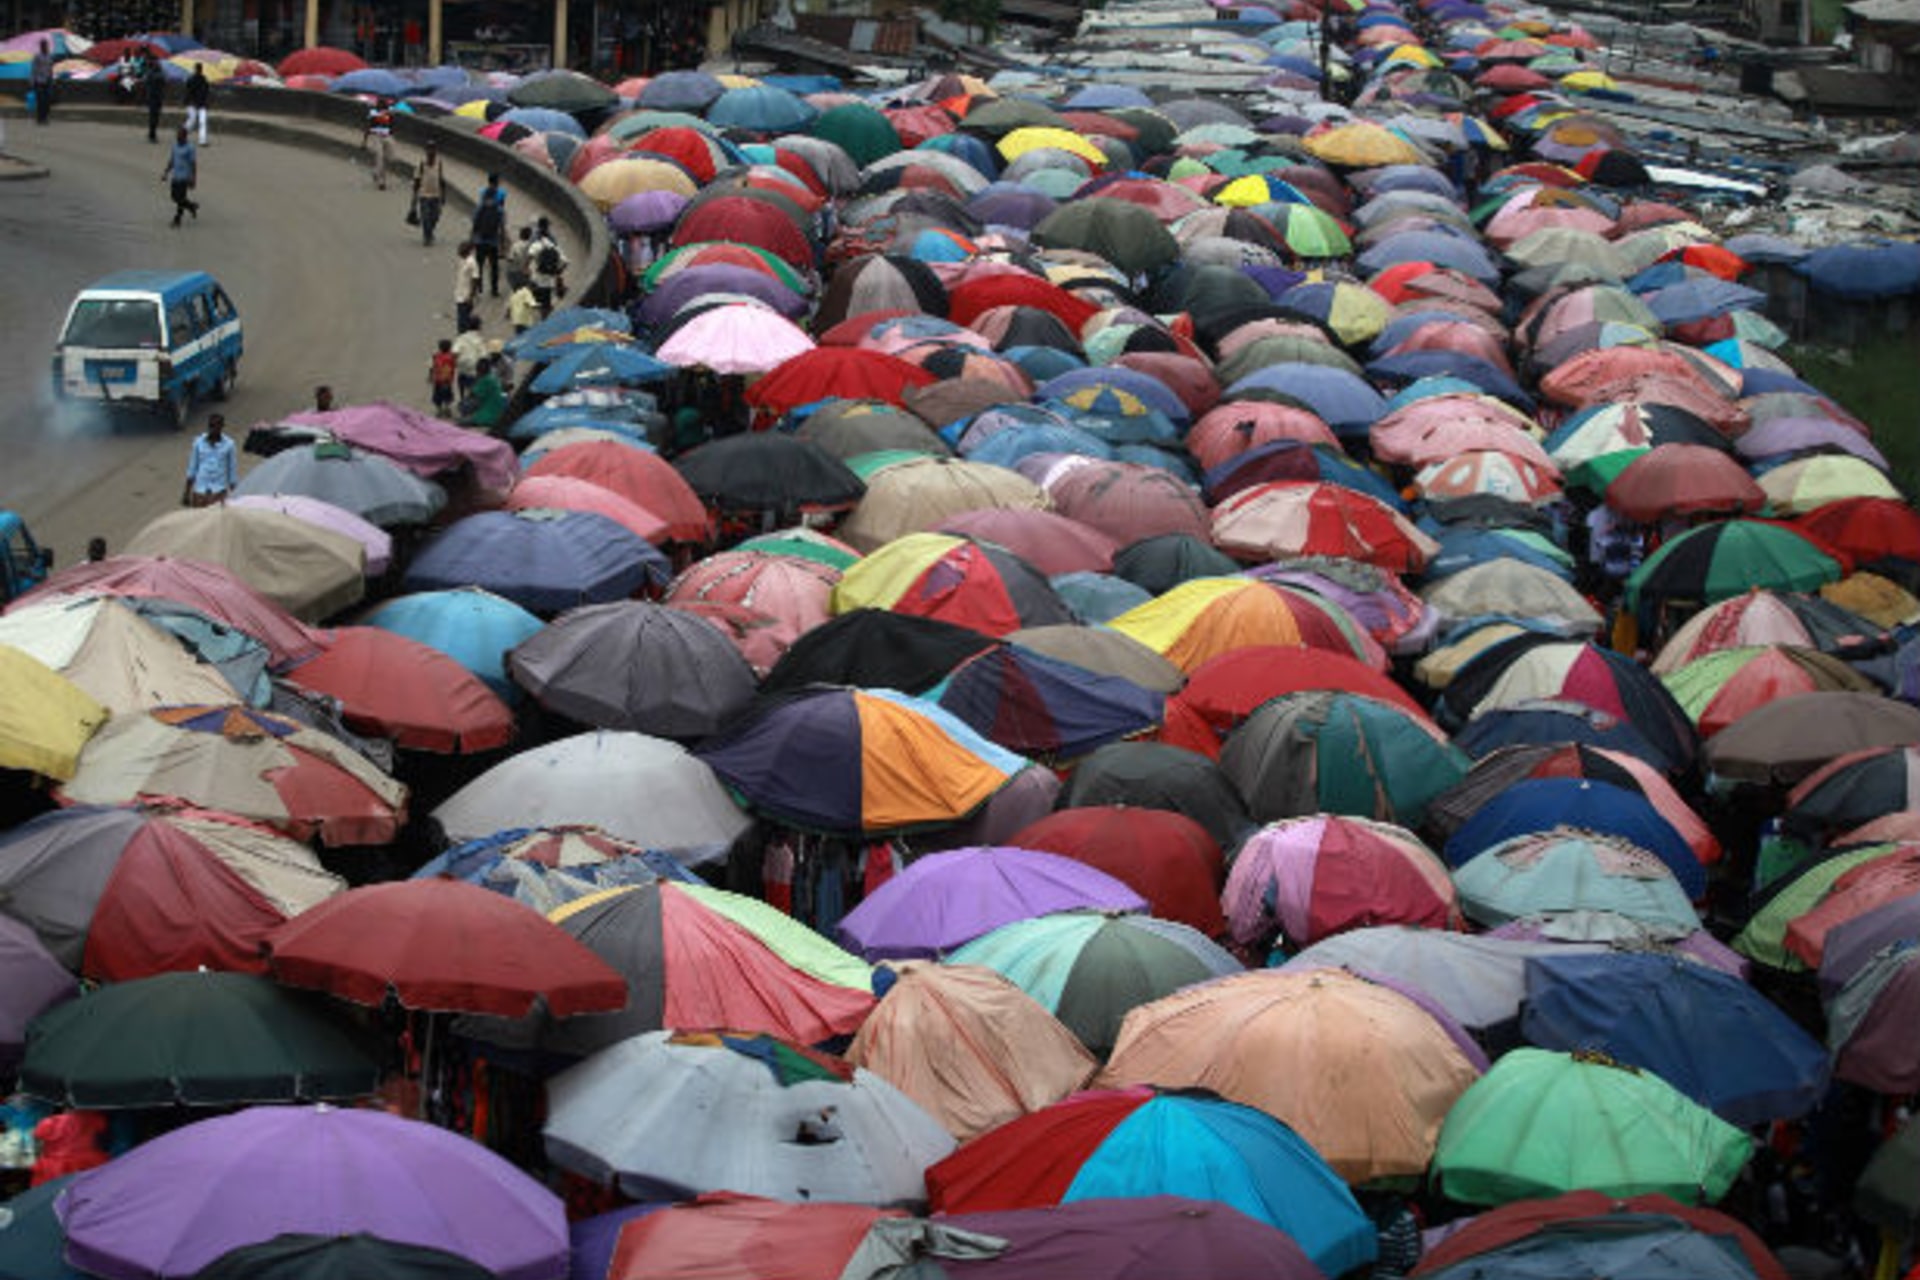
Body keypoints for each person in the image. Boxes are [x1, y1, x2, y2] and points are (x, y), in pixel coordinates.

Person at [181, 414, 236, 506]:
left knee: (218, 519)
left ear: (222, 427)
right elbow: (192, 468)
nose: (213, 429)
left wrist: (235, 496)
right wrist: (186, 493)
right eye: (211, 426)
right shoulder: (198, 443)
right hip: (200, 492)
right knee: (199, 519)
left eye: (216, 426)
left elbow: (232, 471)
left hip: (219, 492)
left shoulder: (229, 445)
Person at [470, 174, 507, 298]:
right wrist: (502, 245)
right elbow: (502, 228)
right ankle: (494, 289)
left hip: (480, 240)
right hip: (493, 242)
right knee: (494, 267)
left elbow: (474, 223)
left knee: (478, 265)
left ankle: (478, 288)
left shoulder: (480, 207)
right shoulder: (499, 210)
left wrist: (472, 239)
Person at [527, 217, 569, 318]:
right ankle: (544, 317)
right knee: (546, 302)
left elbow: (529, 255)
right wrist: (558, 272)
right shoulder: (552, 240)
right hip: (548, 278)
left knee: (535, 297)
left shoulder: (534, 239)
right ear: (547, 226)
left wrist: (526, 268)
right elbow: (564, 261)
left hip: (536, 276)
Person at [160, 126, 199, 227]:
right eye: (177, 135)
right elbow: (172, 160)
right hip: (175, 176)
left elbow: (193, 164)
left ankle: (177, 219)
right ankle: (191, 206)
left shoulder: (190, 148)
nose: (178, 137)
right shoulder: (175, 146)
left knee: (180, 198)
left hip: (184, 177)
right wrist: (166, 172)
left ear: (185, 137)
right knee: (174, 197)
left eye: (180, 136)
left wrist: (193, 178)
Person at [412, 140, 446, 246]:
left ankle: (429, 232)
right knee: (426, 217)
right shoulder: (421, 163)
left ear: (436, 151)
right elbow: (417, 181)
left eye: (433, 149)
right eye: (429, 149)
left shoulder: (439, 163)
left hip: (436, 195)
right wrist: (413, 198)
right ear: (426, 150)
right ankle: (427, 236)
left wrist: (444, 195)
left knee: (435, 217)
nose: (431, 151)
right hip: (424, 195)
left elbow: (441, 180)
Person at [362, 96, 395, 191]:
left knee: (390, 158)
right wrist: (364, 141)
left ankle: (376, 172)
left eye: (383, 106)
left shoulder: (390, 113)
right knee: (379, 157)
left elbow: (392, 127)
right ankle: (382, 182)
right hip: (376, 137)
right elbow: (368, 127)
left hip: (387, 136)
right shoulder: (373, 113)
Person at [463, 356, 506, 429]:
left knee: (464, 407)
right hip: (499, 414)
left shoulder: (484, 380)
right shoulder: (493, 378)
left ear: (477, 370)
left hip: (487, 416)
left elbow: (472, 395)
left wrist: (476, 381)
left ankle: (473, 417)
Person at [450, 313, 486, 396]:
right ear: (479, 327)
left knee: (461, 378)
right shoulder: (480, 340)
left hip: (463, 368)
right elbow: (483, 356)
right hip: (474, 370)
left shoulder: (461, 338)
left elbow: (454, 352)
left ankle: (462, 396)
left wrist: (455, 363)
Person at [453, 241, 480, 332]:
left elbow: (475, 279)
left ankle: (463, 335)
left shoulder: (472, 262)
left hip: (465, 296)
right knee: (461, 318)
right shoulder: (462, 260)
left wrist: (471, 296)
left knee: (463, 319)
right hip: (460, 294)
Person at [140, 52, 166, 143]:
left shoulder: (154, 71)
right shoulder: (153, 71)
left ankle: (152, 132)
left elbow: (161, 80)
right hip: (154, 96)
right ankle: (152, 133)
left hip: (155, 96)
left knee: (155, 116)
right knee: (154, 116)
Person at [428, 338, 457, 415]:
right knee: (447, 395)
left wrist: (430, 376)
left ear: (439, 348)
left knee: (437, 395)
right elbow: (455, 366)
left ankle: (439, 410)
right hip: (447, 380)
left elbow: (431, 367)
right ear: (450, 348)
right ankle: (447, 408)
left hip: (438, 380)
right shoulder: (452, 357)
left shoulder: (435, 356)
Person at [183, 63, 210, 146]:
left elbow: (205, 92)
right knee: (193, 120)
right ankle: (183, 132)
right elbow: (189, 92)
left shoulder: (202, 79)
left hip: (199, 103)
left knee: (201, 121)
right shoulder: (193, 80)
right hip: (194, 103)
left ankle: (202, 140)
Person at [505, 224, 535, 296]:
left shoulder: (515, 245)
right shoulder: (532, 246)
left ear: (520, 235)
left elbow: (510, 258)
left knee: (516, 291)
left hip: (513, 273)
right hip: (525, 273)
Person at [28, 38, 52, 125]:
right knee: (40, 100)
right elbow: (33, 69)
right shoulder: (37, 56)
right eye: (43, 46)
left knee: (47, 101)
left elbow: (50, 69)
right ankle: (40, 118)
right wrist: (32, 82)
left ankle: (45, 117)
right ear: (41, 47)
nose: (45, 47)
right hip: (39, 81)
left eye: (46, 45)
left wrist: (51, 79)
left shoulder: (49, 56)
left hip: (47, 81)